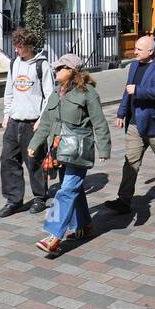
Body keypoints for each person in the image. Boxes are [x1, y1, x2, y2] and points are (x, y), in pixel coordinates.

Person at [27, 54, 111, 257]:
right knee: (74, 189)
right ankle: (85, 226)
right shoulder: (57, 92)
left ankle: (54, 235)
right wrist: (35, 143)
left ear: (72, 70)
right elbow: (47, 121)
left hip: (79, 150)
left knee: (65, 191)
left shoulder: (87, 93)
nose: (55, 71)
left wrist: (104, 148)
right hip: (59, 149)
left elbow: (99, 122)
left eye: (59, 68)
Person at [106, 35, 155, 213]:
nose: (135, 52)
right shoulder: (134, 66)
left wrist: (138, 90)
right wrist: (122, 112)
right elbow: (127, 91)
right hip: (134, 123)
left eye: (139, 49)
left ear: (150, 51)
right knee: (130, 162)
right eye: (136, 48)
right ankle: (124, 200)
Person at [0, 27, 54, 218]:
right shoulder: (14, 64)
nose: (16, 49)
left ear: (29, 46)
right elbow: (9, 92)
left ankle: (40, 197)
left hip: (33, 123)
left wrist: (42, 120)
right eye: (15, 45)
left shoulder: (41, 65)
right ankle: (13, 200)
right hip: (14, 122)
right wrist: (7, 114)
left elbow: (50, 96)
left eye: (19, 46)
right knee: (8, 160)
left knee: (35, 162)